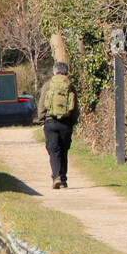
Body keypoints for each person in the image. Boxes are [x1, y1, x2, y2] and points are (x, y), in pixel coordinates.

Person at [39, 61, 78, 189]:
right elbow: (75, 107)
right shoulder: (70, 86)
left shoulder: (48, 85)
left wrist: (42, 121)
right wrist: (73, 122)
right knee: (63, 151)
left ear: (54, 72)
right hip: (66, 123)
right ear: (67, 73)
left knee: (54, 150)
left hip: (51, 122)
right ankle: (64, 178)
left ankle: (56, 177)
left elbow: (42, 105)